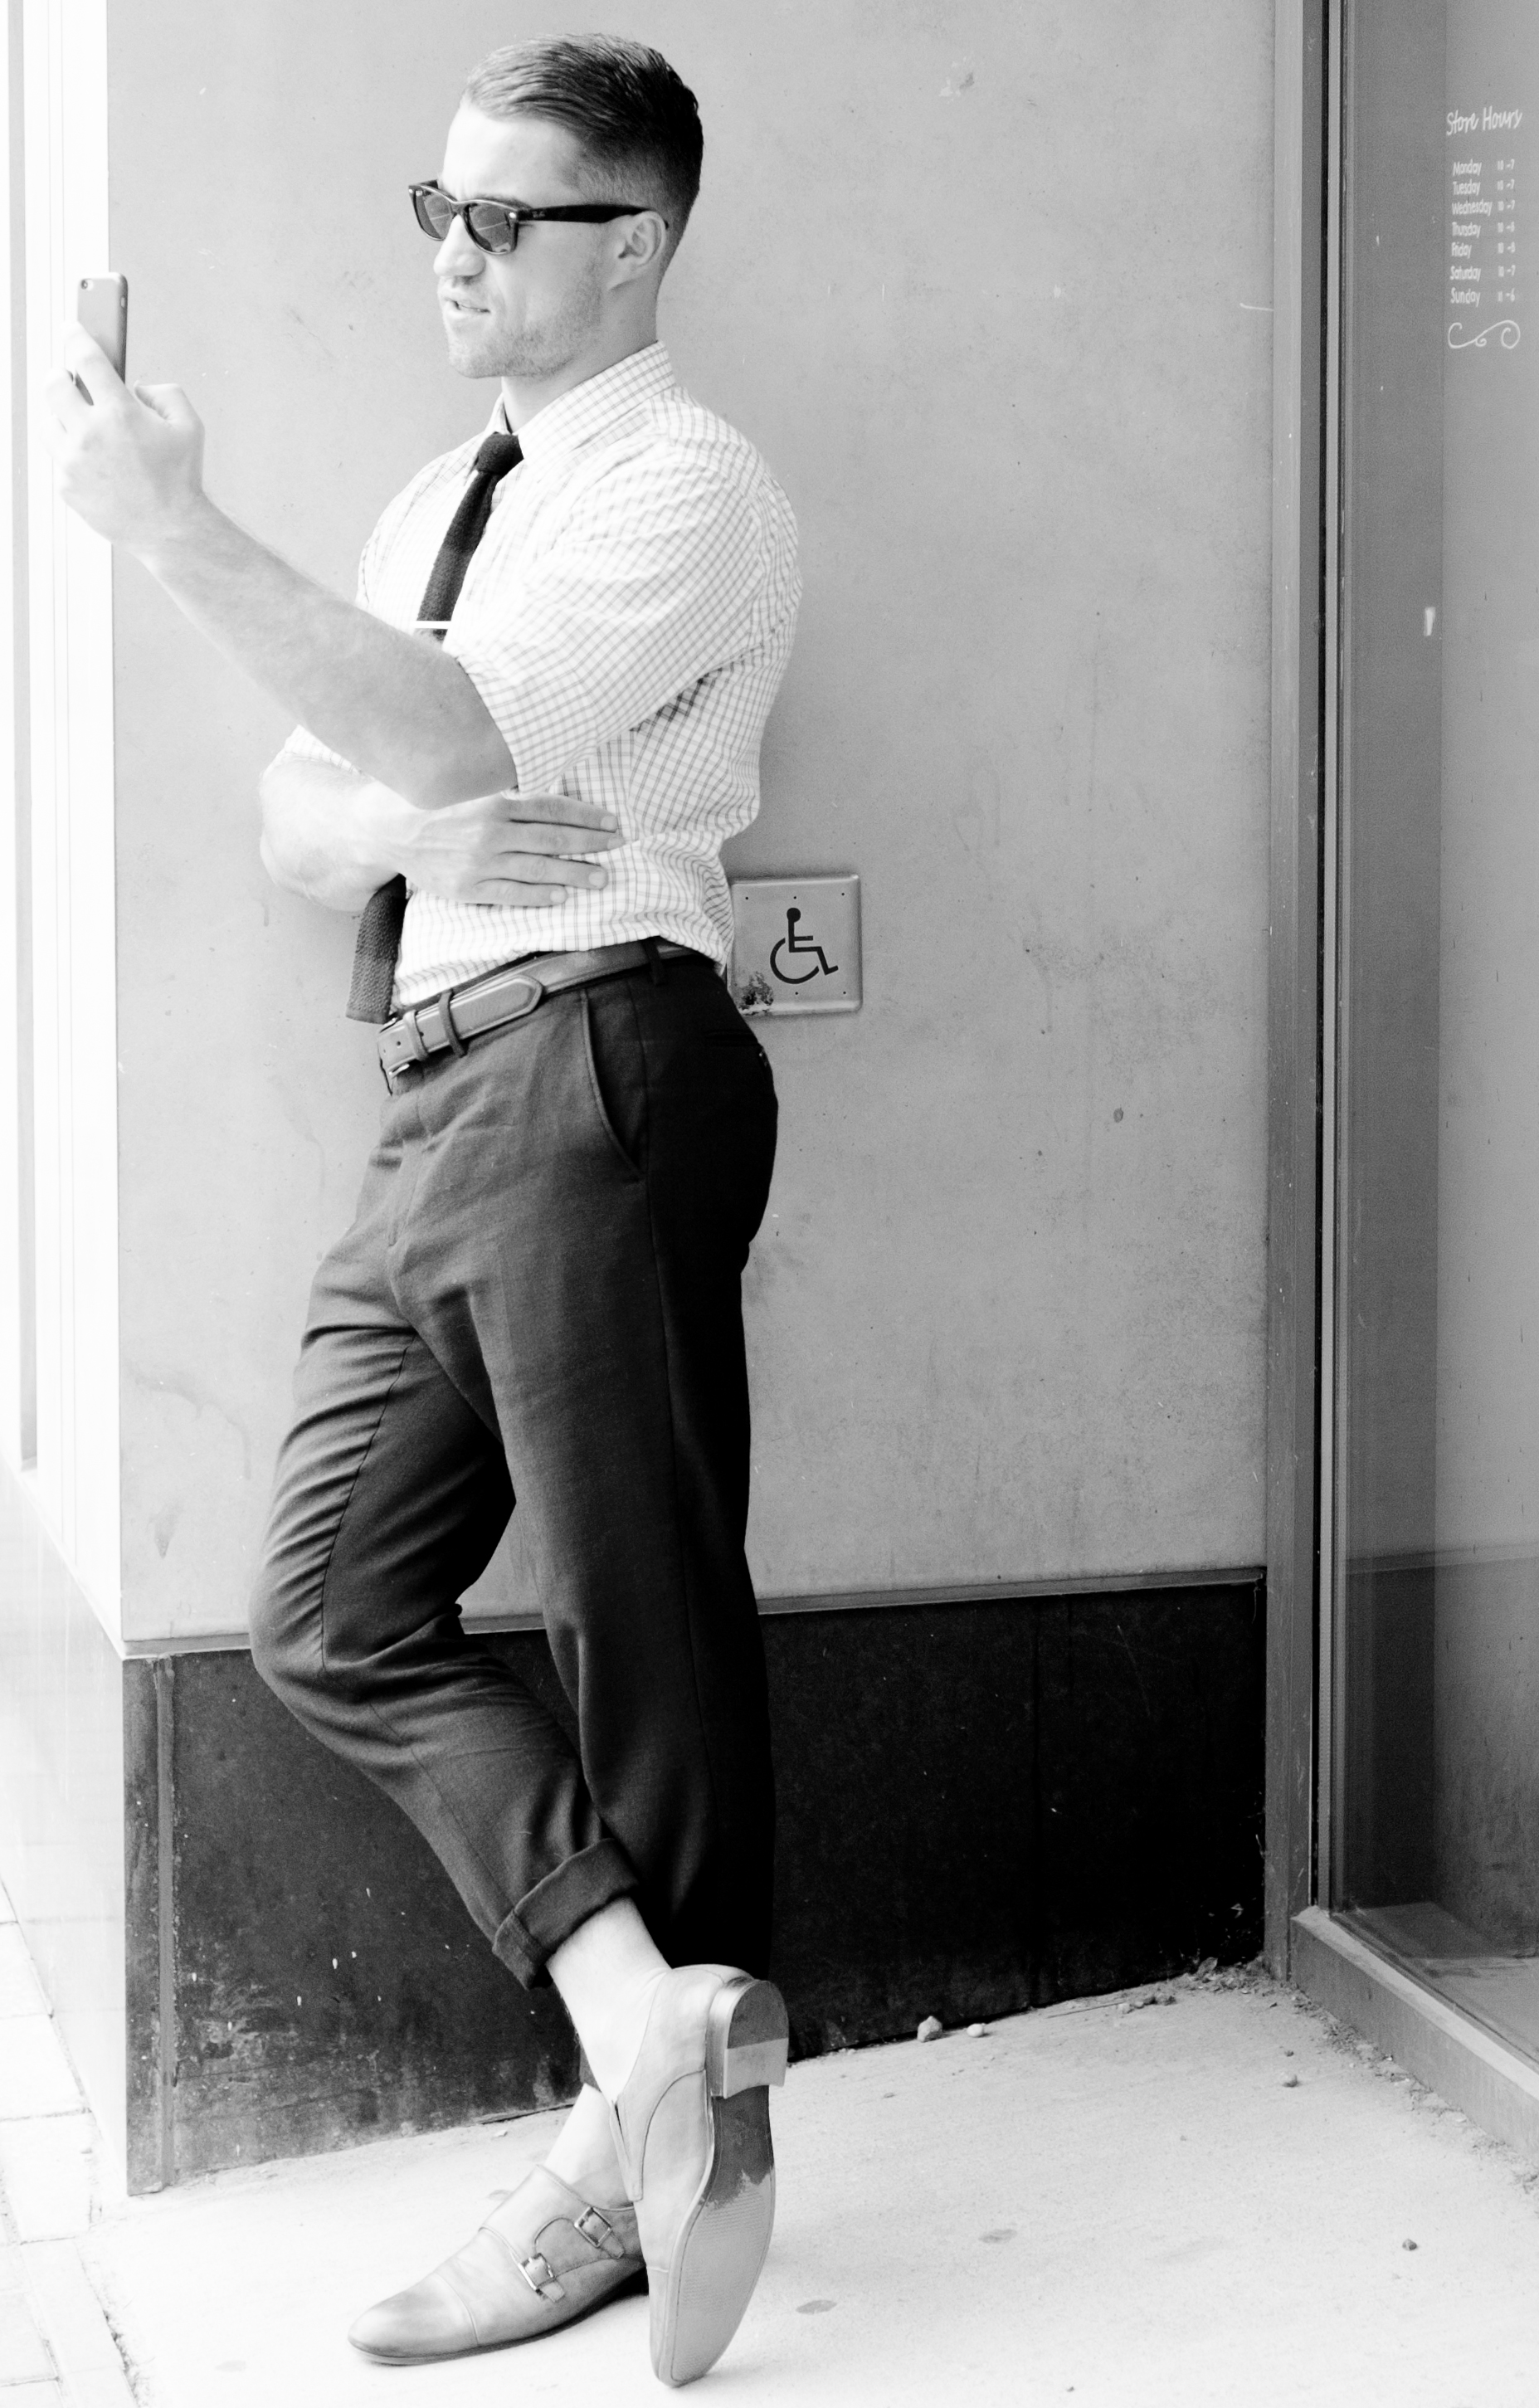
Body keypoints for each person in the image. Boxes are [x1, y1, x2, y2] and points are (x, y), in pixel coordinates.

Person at [45, 32, 800, 2390]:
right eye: (435, 208)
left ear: (634, 243)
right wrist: (399, 813)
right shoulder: (437, 498)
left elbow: (452, 734)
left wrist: (179, 533)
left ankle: (623, 2176)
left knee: (639, 1622)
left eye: (504, 216)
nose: (453, 254)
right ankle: (649, 2024)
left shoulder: (688, 484)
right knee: (323, 1606)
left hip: (601, 1051)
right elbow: (310, 816)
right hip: (444, 1088)